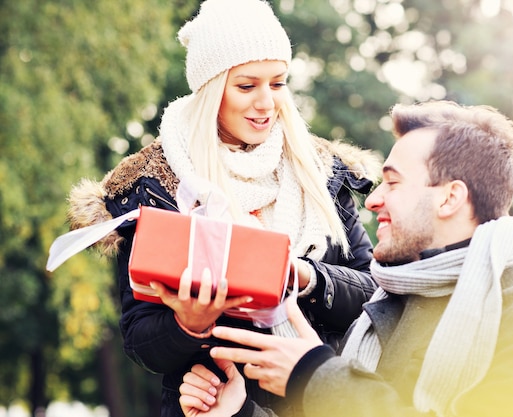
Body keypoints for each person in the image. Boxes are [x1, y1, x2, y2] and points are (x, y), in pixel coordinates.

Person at [178, 100, 513, 417]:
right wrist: (239, 413)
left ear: (450, 197)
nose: (373, 199)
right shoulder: (380, 312)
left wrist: (314, 374)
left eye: (392, 183)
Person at [64, 0, 380, 416]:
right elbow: (140, 340)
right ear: (212, 89)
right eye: (247, 86)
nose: (267, 103)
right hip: (211, 408)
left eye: (278, 83)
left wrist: (302, 275)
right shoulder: (156, 184)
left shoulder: (321, 170)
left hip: (318, 402)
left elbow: (374, 296)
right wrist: (188, 325)